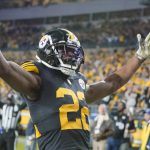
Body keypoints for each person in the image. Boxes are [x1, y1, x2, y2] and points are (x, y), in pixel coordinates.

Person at [0, 28, 150, 150]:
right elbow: (6, 70)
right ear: (48, 52)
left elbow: (112, 83)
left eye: (73, 52)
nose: (71, 56)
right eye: (65, 51)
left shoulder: (78, 82)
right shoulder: (37, 79)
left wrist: (138, 57)